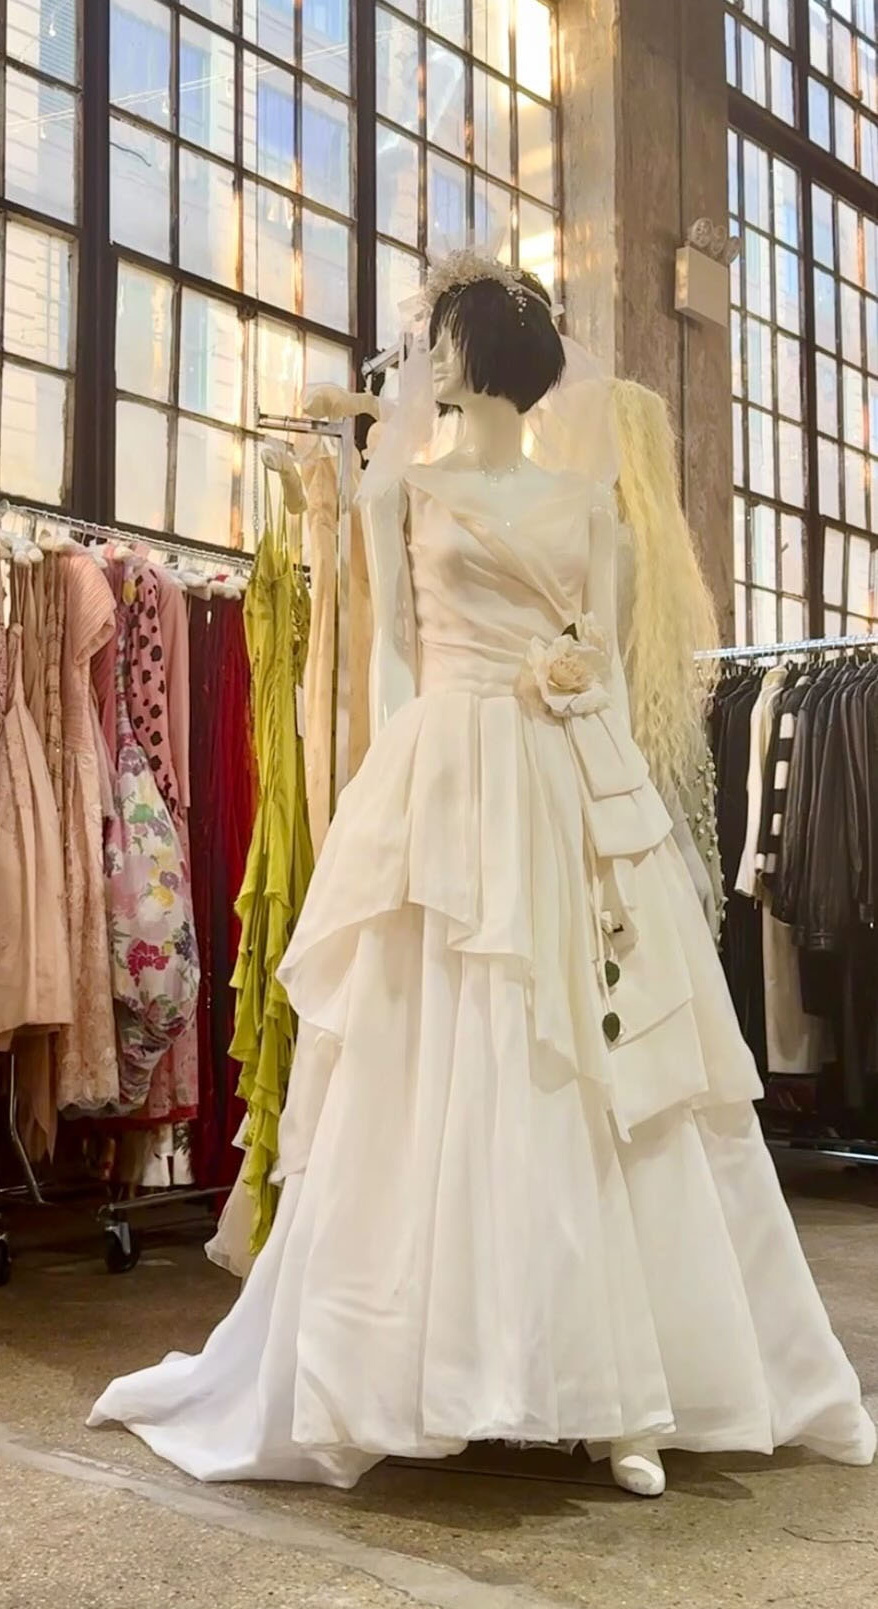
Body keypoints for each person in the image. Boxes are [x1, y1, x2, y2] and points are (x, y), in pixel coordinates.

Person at [89, 248, 875, 1498]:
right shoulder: (398, 495)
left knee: (587, 1054)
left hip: (561, 776)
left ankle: (622, 1383)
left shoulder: (590, 505)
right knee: (446, 1050)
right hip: (450, 776)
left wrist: (599, 789)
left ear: (472, 355)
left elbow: (601, 662)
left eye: (439, 339)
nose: (426, 361)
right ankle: (439, 1367)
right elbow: (403, 656)